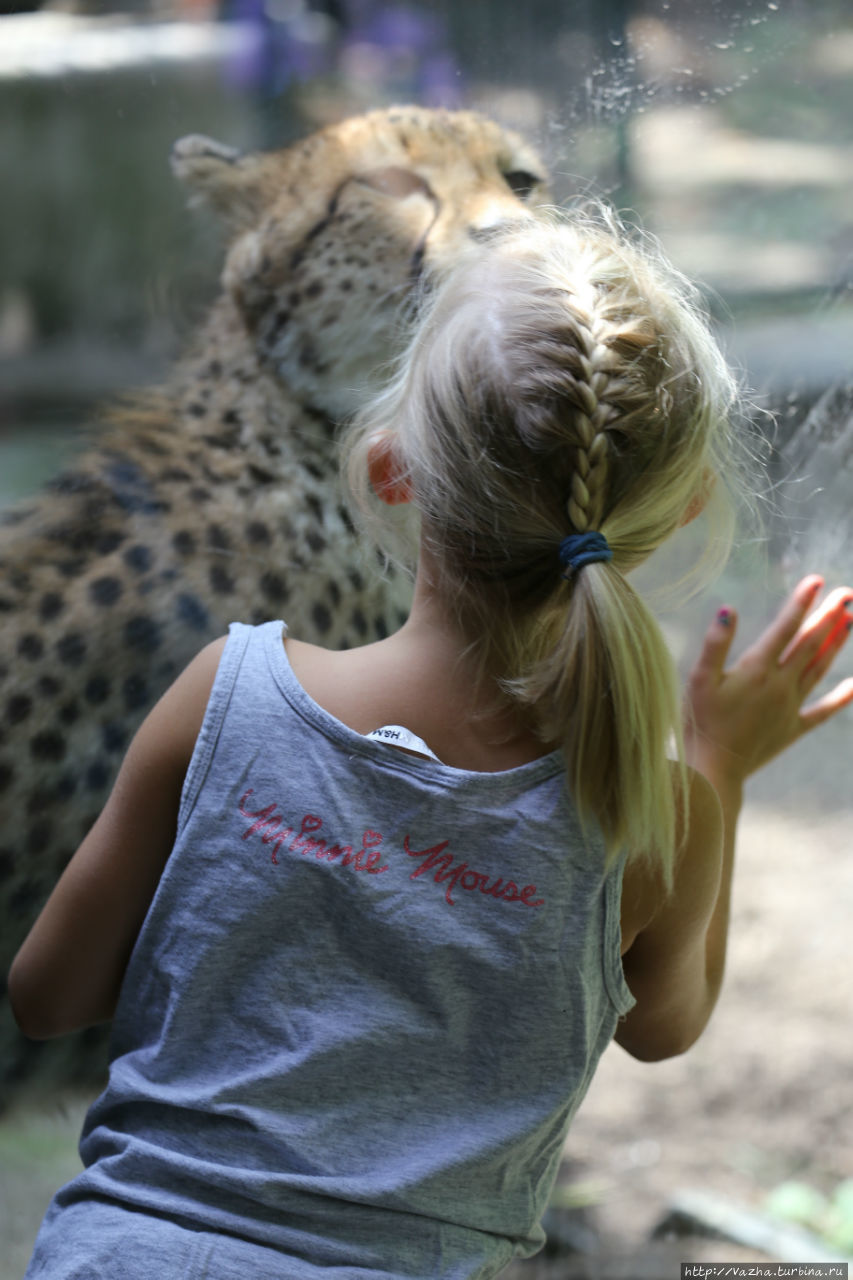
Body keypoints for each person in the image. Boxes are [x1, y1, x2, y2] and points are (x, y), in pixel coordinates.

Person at [10, 210, 853, 1280]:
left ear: (391, 462)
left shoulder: (224, 696)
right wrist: (718, 770)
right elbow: (665, 1024)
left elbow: (48, 992)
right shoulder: (652, 813)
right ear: (679, 511)